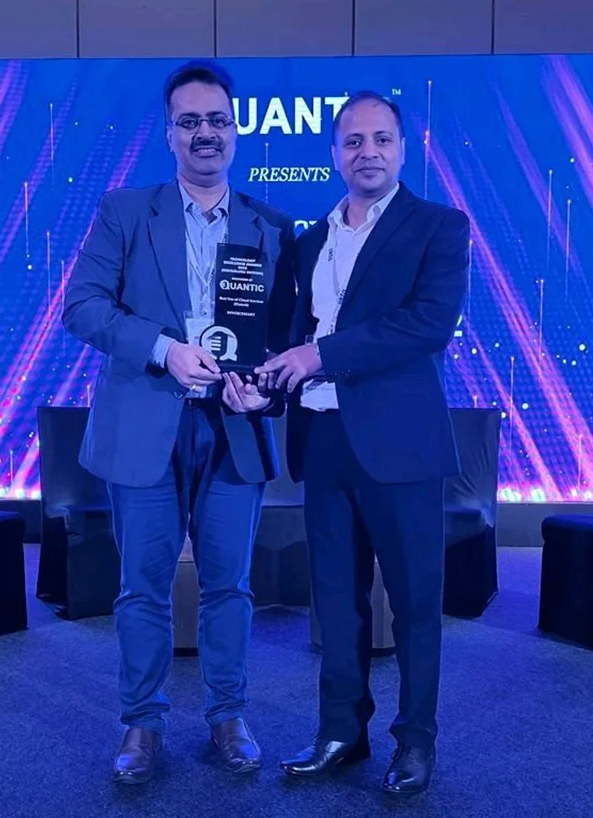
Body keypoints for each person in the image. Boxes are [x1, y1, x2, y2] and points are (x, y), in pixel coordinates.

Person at [62, 60, 296, 784]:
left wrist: (264, 392)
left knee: (230, 586)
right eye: (189, 121)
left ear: (235, 129)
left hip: (233, 431)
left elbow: (284, 338)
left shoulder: (272, 226)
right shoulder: (125, 211)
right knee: (143, 587)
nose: (204, 133)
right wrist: (164, 349)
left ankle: (229, 717)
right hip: (145, 424)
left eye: (216, 120)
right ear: (169, 133)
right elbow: (83, 307)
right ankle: (143, 723)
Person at [257, 91, 469, 796]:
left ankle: (415, 743)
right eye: (353, 141)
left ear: (403, 149)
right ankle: (341, 732)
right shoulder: (308, 241)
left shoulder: (438, 226)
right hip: (322, 438)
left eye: (381, 139)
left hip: (400, 446)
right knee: (335, 600)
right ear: (334, 154)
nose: (367, 152)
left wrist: (319, 356)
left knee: (414, 603)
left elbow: (428, 324)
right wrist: (267, 381)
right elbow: (294, 335)